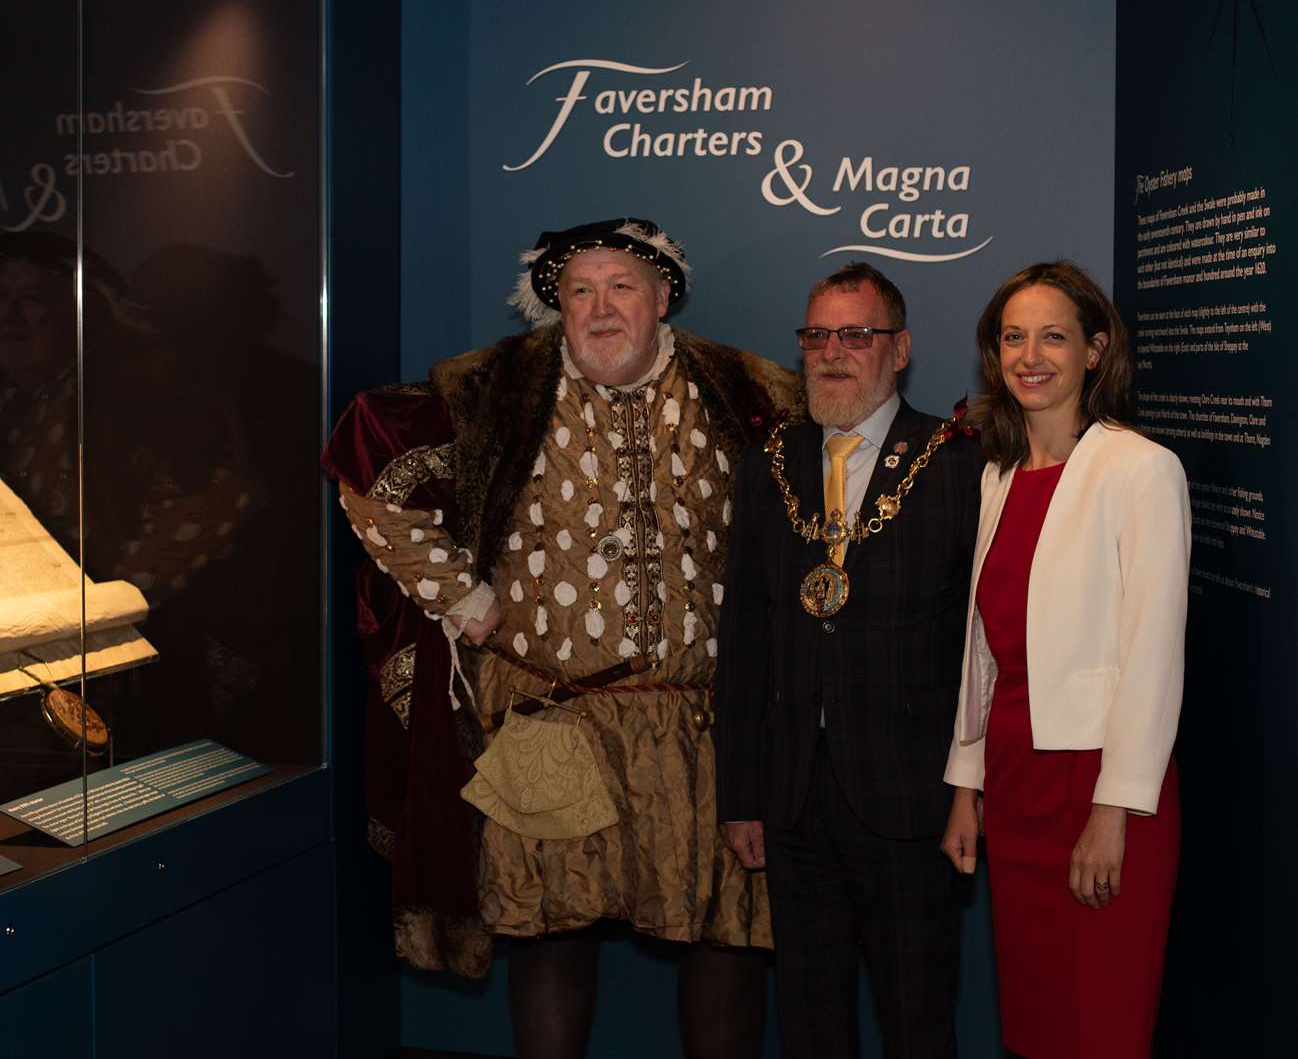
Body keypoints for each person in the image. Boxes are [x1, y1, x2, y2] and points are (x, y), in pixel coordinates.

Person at [324, 219, 795, 1059]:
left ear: (661, 298)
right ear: (556, 305)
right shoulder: (498, 386)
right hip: (549, 715)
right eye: (580, 290)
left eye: (622, 287)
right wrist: (456, 595)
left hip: (702, 728)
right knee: (548, 933)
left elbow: (846, 453)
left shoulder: (743, 385)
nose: (600, 307)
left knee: (727, 935)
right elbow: (369, 462)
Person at [714, 261, 981, 1057]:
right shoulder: (770, 465)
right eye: (817, 335)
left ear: (899, 350)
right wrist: (741, 794)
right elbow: (746, 642)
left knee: (917, 1019)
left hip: (910, 799)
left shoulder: (957, 464)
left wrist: (971, 785)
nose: (833, 352)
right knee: (810, 1019)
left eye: (856, 335)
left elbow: (980, 645)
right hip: (792, 798)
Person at [939, 261, 1187, 1058]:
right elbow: (984, 652)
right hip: (1015, 780)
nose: (1030, 355)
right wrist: (965, 787)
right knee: (1037, 1020)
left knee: (1101, 1023)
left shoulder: (1141, 468)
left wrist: (1114, 811)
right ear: (993, 354)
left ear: (1095, 350)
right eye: (1014, 337)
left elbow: (1153, 653)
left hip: (1101, 785)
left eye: (1054, 336)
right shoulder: (998, 474)